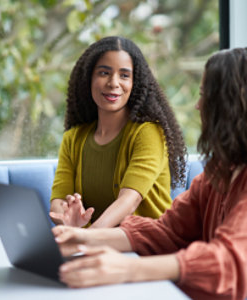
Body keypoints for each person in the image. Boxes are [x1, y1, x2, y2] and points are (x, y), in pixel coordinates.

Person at [53, 47, 247, 300]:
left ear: (232, 105)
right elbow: (167, 232)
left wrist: (128, 268)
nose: (199, 106)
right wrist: (83, 238)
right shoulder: (216, 175)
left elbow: (231, 262)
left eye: (205, 97)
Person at [49, 36, 186, 228]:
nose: (114, 83)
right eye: (104, 73)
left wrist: (86, 237)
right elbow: (59, 200)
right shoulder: (73, 138)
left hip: (148, 246)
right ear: (88, 78)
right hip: (99, 246)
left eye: (124, 75)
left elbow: (128, 202)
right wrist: (66, 217)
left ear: (135, 83)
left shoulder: (149, 133)